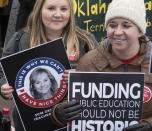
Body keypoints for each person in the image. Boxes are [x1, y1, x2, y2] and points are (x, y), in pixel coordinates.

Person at [0, 0, 98, 130]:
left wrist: (82, 77)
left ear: (71, 12)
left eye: (64, 9)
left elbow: (102, 78)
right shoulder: (20, 39)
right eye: (51, 8)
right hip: (31, 121)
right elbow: (0, 74)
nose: (58, 14)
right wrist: (3, 86)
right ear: (39, 10)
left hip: (72, 121)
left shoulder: (85, 40)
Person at [52, 0, 152, 130]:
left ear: (140, 31)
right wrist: (59, 113)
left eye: (126, 26)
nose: (117, 32)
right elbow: (71, 104)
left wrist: (150, 124)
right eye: (112, 25)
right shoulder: (89, 61)